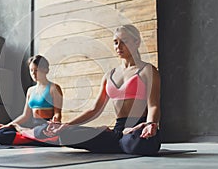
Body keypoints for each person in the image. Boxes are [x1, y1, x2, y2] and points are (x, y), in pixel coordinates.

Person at [45, 24, 161, 155]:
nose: (119, 46)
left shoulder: (147, 71)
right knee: (65, 135)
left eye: (124, 42)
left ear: (137, 42)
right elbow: (94, 110)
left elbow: (153, 105)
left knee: (140, 143)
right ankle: (119, 139)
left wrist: (151, 124)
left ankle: (119, 141)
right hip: (118, 130)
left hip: (140, 128)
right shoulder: (109, 75)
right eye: (116, 42)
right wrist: (66, 125)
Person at [0, 55, 63, 146]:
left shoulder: (54, 88)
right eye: (31, 70)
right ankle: (42, 139)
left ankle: (37, 136)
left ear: (45, 70)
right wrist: (8, 125)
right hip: (34, 128)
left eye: (36, 70)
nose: (33, 73)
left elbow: (58, 113)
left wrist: (55, 122)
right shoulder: (30, 90)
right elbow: (25, 115)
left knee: (41, 132)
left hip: (46, 127)